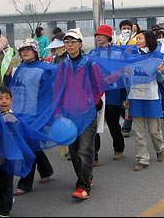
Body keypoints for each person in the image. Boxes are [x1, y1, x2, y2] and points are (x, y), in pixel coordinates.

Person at [59, 28, 104, 200]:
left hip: (86, 113)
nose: (69, 45)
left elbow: (99, 86)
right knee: (74, 149)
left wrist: (91, 102)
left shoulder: (90, 63)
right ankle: (85, 177)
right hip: (69, 114)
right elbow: (58, 89)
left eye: (73, 41)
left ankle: (83, 186)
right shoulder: (63, 65)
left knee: (85, 149)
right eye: (67, 42)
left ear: (80, 44)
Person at [8, 39, 54, 196]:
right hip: (20, 112)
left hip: (36, 114)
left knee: (27, 146)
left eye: (28, 49)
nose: (24, 52)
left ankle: (25, 183)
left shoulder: (45, 69)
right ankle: (46, 169)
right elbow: (13, 88)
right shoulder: (20, 68)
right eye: (22, 50)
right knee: (31, 144)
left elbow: (50, 91)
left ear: (36, 51)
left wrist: (47, 113)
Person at [128, 30, 164, 171]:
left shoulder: (157, 57)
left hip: (151, 97)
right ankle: (142, 159)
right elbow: (129, 79)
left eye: (140, 39)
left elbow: (160, 80)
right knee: (139, 132)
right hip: (135, 97)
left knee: (154, 130)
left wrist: (160, 72)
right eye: (137, 39)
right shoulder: (132, 57)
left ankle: (159, 148)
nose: (137, 41)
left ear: (148, 41)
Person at [89, 25, 125, 162]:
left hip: (112, 91)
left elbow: (120, 70)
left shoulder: (117, 52)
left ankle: (118, 148)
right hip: (96, 91)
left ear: (108, 36)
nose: (98, 37)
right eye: (96, 35)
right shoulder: (92, 53)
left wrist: (108, 80)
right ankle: (94, 155)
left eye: (101, 35)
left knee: (113, 122)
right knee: (95, 123)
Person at [0, 86, 16, 218]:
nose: (4, 101)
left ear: (12, 100)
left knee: (6, 183)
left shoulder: (13, 118)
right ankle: (3, 199)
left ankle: (4, 211)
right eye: (0, 98)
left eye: (7, 98)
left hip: (8, 157)